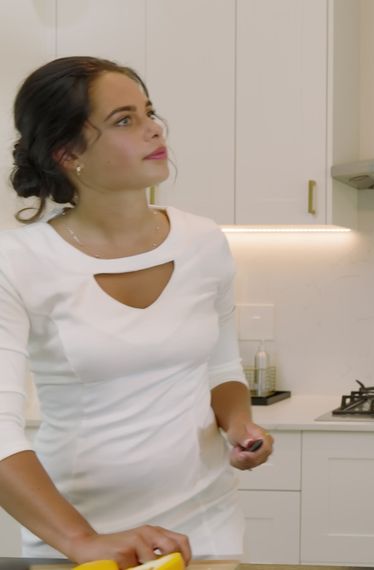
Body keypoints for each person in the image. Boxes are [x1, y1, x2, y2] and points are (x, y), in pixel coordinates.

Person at [0, 56, 274, 566]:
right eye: (124, 120)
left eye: (149, 112)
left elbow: (221, 367)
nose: (154, 129)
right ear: (67, 153)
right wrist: (81, 541)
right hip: (78, 535)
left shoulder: (203, 240)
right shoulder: (18, 262)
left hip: (205, 528)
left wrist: (240, 426)